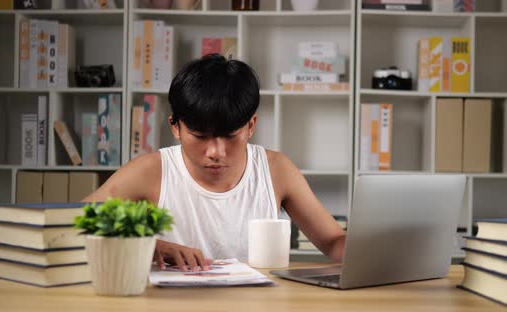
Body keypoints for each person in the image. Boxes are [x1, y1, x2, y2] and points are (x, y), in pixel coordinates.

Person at [84, 54, 346, 272]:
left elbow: (334, 241)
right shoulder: (151, 171)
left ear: (251, 125)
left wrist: (375, 247)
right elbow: (73, 223)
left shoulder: (276, 170)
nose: (216, 152)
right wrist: (148, 245)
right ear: (175, 127)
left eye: (231, 135)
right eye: (200, 136)